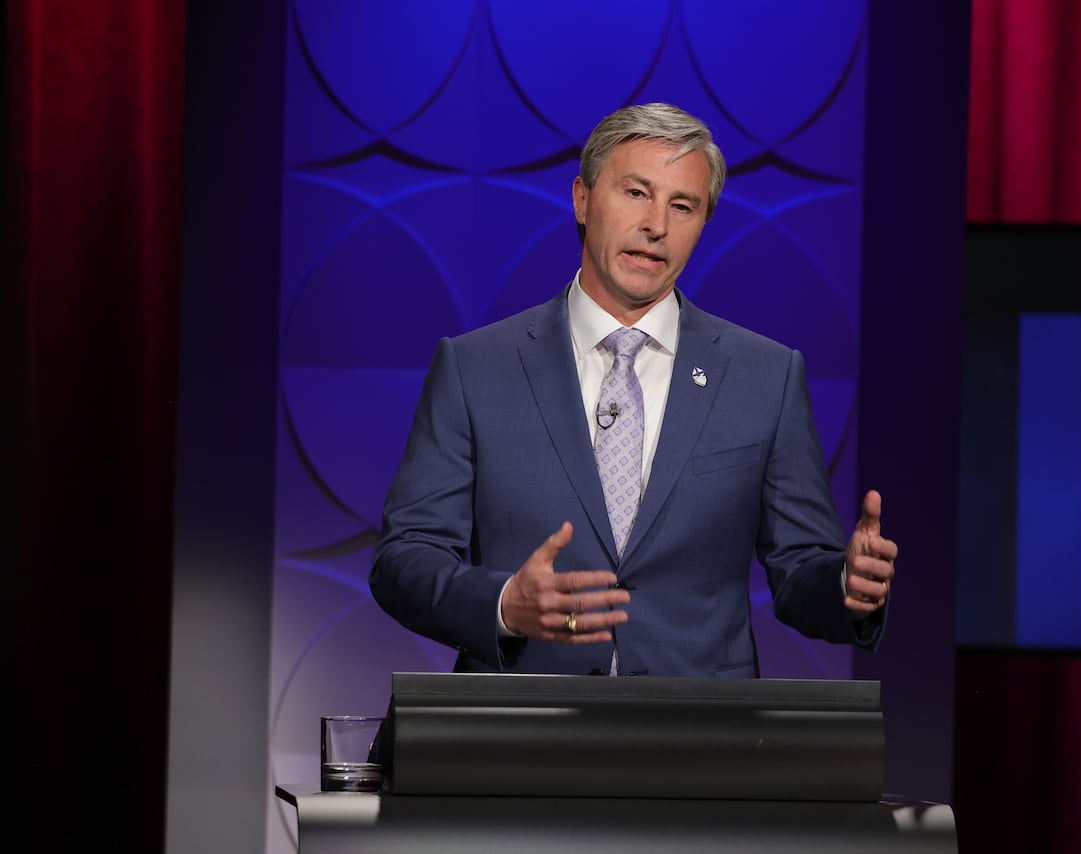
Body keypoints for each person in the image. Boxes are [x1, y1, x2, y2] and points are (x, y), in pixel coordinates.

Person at [370, 102, 896, 678]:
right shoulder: (475, 368)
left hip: (696, 743)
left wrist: (848, 584)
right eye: (636, 193)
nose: (657, 225)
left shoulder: (765, 377)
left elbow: (800, 572)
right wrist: (503, 605)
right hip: (519, 734)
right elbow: (403, 561)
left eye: (683, 205)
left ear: (703, 224)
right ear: (583, 198)